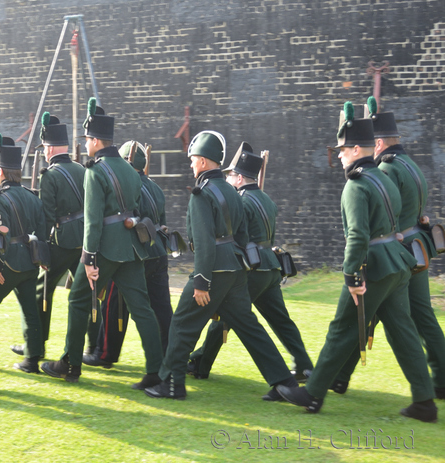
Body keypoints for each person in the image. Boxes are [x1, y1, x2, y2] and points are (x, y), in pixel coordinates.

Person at [277, 102, 437, 423]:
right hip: (398, 264)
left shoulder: (356, 185)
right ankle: (424, 401)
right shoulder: (384, 176)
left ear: (353, 149)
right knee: (403, 332)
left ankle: (313, 394)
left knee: (342, 328)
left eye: (341, 149)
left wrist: (352, 275)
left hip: (374, 266)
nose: (338, 155)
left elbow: (358, 236)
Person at [144, 131, 298, 400]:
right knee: (250, 327)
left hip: (212, 270)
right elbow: (242, 236)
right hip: (236, 270)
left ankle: (171, 384)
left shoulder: (201, 194)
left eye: (193, 160)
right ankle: (284, 382)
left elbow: (204, 242)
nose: (191, 164)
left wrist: (202, 281)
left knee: (181, 323)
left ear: (203, 161)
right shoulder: (231, 189)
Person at [40, 98, 163, 388]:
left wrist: (90, 259)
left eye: (88, 140)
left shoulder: (95, 171)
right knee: (141, 308)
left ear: (95, 141)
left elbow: (93, 220)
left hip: (104, 248)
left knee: (78, 299)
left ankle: (70, 365)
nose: (86, 144)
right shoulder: (131, 171)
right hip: (130, 247)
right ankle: (156, 371)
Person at [330, 97, 445, 401]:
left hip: (396, 252)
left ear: (377, 143)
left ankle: (337, 376)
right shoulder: (410, 165)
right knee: (396, 316)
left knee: (385, 315)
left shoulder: (387, 169)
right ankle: (340, 375)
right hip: (415, 248)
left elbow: (381, 215)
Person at [187, 142, 313, 388]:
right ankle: (305, 365)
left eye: (232, 175)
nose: (229, 179)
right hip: (271, 268)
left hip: (251, 268)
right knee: (281, 321)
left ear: (240, 177)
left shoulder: (240, 200)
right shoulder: (265, 199)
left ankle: (200, 363)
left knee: (225, 316)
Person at [83, 140, 173, 369]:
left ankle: (104, 354)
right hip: (158, 253)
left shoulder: (128, 184)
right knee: (161, 310)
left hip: (134, 253)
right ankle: (169, 357)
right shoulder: (156, 189)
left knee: (113, 306)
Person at [17, 112, 86, 359]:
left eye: (45, 147)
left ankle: (35, 345)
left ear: (51, 147)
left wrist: (41, 251)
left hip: (63, 241)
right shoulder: (81, 169)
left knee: (41, 290)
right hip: (84, 242)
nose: (44, 152)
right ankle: (93, 347)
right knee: (86, 293)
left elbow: (46, 217)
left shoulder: (50, 175)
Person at [0, 133, 48, 374]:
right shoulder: (34, 198)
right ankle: (31, 361)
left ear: (0, 172)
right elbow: (41, 233)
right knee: (30, 310)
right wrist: (42, 260)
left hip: (8, 262)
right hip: (31, 262)